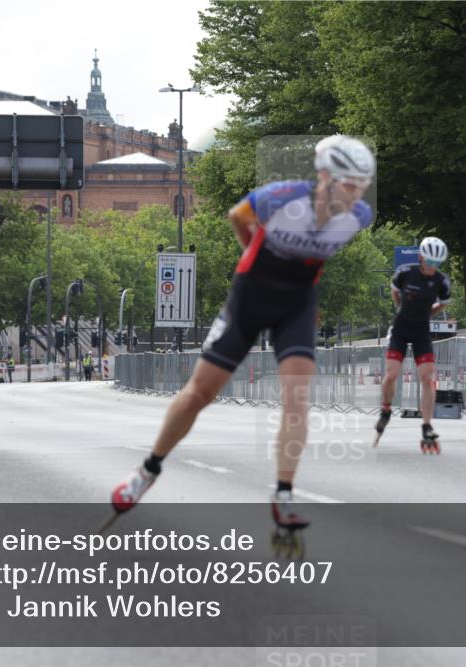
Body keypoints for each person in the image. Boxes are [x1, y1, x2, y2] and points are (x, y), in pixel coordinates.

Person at [109, 135, 375, 528]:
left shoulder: (359, 217)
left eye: (362, 186)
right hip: (250, 298)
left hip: (297, 305)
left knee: (297, 397)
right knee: (200, 393)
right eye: (350, 184)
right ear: (325, 177)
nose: (356, 194)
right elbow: (238, 216)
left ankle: (283, 494)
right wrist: (255, 254)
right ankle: (147, 471)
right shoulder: (280, 198)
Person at [374, 237, 451, 453]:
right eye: (429, 262)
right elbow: (395, 292)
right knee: (392, 374)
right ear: (421, 258)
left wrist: (427, 314)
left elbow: (443, 303)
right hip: (400, 329)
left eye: (437, 264)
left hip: (421, 332)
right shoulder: (405, 272)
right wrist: (401, 308)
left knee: (428, 378)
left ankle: (426, 425)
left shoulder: (442, 282)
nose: (432, 267)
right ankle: (386, 409)